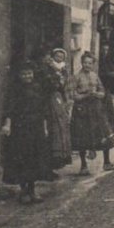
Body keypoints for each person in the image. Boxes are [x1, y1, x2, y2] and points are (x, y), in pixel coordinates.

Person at [2, 63, 49, 204]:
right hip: (21, 128)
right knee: (23, 158)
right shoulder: (15, 90)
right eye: (24, 74)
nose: (27, 76)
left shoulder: (38, 88)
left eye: (29, 73)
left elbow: (43, 110)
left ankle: (32, 190)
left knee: (35, 158)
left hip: (36, 127)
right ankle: (23, 191)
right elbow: (9, 109)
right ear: (19, 76)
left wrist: (45, 128)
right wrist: (8, 125)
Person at [69, 52, 114, 175]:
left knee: (103, 133)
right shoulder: (76, 77)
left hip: (96, 108)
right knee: (82, 137)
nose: (87, 65)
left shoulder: (95, 76)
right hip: (82, 110)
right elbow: (72, 95)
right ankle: (83, 166)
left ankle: (107, 162)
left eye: (90, 63)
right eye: (85, 62)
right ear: (82, 63)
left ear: (93, 64)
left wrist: (98, 94)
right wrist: (85, 95)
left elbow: (102, 91)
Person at [41, 48, 72, 176]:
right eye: (56, 56)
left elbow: (66, 85)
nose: (58, 59)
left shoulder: (64, 69)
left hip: (59, 98)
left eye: (61, 57)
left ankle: (57, 161)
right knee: (52, 128)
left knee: (60, 127)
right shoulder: (48, 69)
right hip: (50, 99)